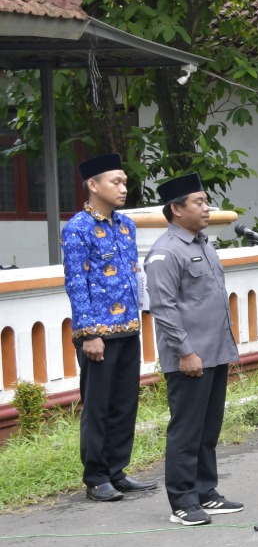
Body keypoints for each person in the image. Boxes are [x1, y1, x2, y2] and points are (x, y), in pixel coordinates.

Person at [145, 174, 243, 525]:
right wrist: (186, 352)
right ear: (176, 209)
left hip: (215, 353)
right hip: (189, 357)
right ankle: (183, 500)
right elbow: (164, 308)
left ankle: (205, 491)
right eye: (198, 202)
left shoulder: (203, 243)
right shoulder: (164, 252)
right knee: (186, 430)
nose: (206, 207)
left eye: (206, 201)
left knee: (208, 428)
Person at [60, 153, 157, 502]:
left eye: (125, 182)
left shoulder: (126, 226)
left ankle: (117, 471)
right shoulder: (77, 229)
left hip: (129, 328)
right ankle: (96, 476)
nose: (123, 187)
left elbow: (134, 276)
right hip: (98, 334)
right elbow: (76, 284)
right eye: (115, 181)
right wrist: (89, 334)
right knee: (98, 406)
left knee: (125, 404)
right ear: (93, 185)